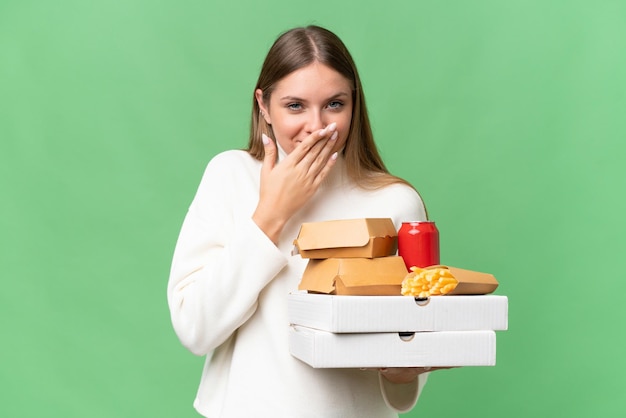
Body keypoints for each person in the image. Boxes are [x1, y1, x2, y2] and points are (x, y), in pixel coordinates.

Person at [168, 25, 442, 417]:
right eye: (295, 106)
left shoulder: (396, 202)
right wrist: (271, 214)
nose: (318, 126)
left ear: (355, 104)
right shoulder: (229, 176)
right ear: (263, 105)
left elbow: (414, 337)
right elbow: (195, 327)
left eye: (334, 104)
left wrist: (404, 369)